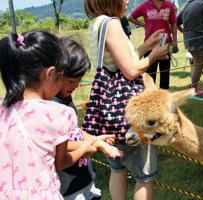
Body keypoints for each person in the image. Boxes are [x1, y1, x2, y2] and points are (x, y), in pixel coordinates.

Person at [83, 0, 169, 200]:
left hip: (110, 111)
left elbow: (119, 64)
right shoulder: (112, 23)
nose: (127, 0)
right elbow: (130, 71)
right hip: (127, 112)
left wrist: (146, 46)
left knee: (118, 169)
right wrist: (154, 55)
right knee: (144, 176)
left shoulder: (95, 24)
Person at [0, 30, 98, 199]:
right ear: (50, 74)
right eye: (61, 77)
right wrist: (86, 147)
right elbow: (61, 162)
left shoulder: (3, 109)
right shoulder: (60, 113)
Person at [54, 38, 123, 200]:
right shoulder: (51, 106)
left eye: (78, 81)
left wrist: (95, 138)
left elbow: (74, 132)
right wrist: (91, 144)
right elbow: (58, 145)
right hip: (66, 186)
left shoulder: (65, 98)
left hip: (83, 177)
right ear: (54, 74)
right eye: (71, 81)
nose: (76, 86)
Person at [128, 0, 178, 89]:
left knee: (165, 76)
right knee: (149, 78)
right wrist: (143, 25)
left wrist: (174, 41)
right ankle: (150, 98)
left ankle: (164, 100)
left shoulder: (169, 4)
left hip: (165, 45)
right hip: (149, 47)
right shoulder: (145, 5)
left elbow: (174, 23)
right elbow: (131, 17)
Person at [177, 0, 203, 96]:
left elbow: (176, 22)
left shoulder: (187, 5)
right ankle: (194, 88)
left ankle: (194, 85)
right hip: (199, 39)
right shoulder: (202, 4)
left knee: (196, 62)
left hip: (188, 40)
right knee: (199, 63)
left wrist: (184, 32)